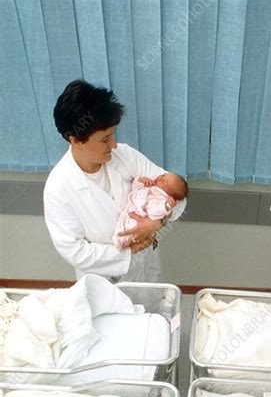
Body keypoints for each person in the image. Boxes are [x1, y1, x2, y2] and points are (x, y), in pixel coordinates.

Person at [44, 80, 186, 282]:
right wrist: (126, 254)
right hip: (103, 280)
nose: (113, 144)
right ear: (75, 140)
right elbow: (73, 250)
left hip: (146, 269)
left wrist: (156, 222)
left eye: (113, 135)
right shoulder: (59, 187)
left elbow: (177, 193)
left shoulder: (125, 156)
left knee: (152, 309)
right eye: (104, 139)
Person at [113, 172, 188, 249]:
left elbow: (153, 213)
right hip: (130, 210)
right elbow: (136, 189)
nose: (160, 178)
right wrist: (140, 181)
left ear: (169, 194)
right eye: (163, 175)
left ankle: (122, 243)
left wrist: (166, 207)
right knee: (121, 226)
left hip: (139, 215)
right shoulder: (151, 186)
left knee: (129, 230)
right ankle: (119, 243)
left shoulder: (160, 199)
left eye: (164, 183)